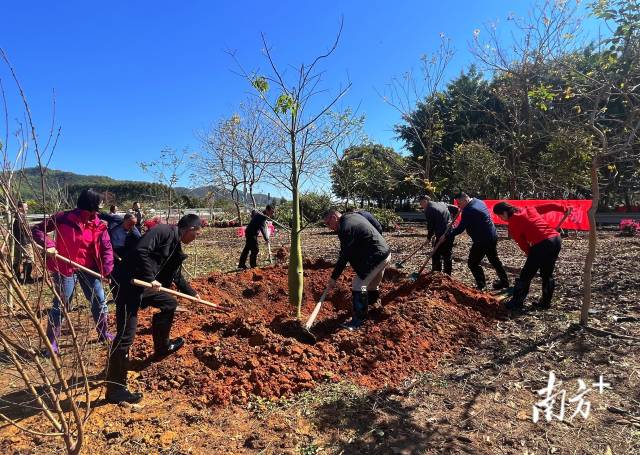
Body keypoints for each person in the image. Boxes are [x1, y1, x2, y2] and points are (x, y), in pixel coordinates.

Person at [105, 214, 203, 404]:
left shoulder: (176, 244)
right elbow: (141, 250)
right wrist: (151, 278)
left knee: (169, 303)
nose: (195, 238)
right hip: (129, 285)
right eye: (197, 234)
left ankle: (162, 346)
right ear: (190, 229)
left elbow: (176, 275)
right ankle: (115, 389)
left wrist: (192, 293)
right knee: (126, 336)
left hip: (144, 286)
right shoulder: (162, 231)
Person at [32, 189, 114, 354]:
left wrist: (106, 270)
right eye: (99, 204)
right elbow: (37, 230)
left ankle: (104, 334)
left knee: (99, 302)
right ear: (90, 205)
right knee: (61, 306)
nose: (100, 207)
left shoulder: (99, 224)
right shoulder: (63, 218)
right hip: (65, 268)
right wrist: (49, 246)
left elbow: (106, 248)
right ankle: (51, 344)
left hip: (90, 269)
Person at [493, 202, 570, 311]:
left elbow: (522, 243)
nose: (500, 218)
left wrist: (531, 256)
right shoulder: (528, 208)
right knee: (547, 274)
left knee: (526, 275)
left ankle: (516, 303)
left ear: (505, 212)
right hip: (556, 240)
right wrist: (564, 208)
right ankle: (545, 303)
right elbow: (549, 206)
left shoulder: (513, 223)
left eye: (500, 216)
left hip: (542, 244)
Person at [324, 209, 391, 330]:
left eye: (328, 223)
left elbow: (344, 256)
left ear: (334, 217)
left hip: (376, 257)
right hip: (385, 253)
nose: (329, 227)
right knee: (371, 285)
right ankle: (374, 308)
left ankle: (358, 322)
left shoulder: (345, 228)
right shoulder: (355, 215)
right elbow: (377, 225)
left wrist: (333, 278)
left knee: (358, 284)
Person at [446, 192, 509, 291]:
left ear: (465, 199)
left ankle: (482, 286)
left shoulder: (469, 210)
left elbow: (460, 229)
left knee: (473, 263)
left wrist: (447, 235)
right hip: (492, 235)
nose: (458, 206)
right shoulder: (478, 201)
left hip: (482, 240)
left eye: (459, 203)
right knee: (494, 260)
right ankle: (505, 282)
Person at [419, 196, 459, 276]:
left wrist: (429, 238)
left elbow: (431, 226)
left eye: (421, 203)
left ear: (426, 201)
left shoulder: (429, 210)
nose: (421, 205)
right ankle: (447, 274)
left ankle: (437, 273)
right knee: (447, 253)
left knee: (437, 254)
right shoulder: (441, 203)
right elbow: (456, 209)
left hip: (443, 234)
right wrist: (452, 221)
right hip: (450, 231)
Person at [108, 213, 142, 298]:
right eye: (130, 224)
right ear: (124, 220)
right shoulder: (114, 226)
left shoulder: (135, 233)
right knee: (114, 276)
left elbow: (139, 244)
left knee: (126, 276)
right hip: (112, 252)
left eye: (134, 224)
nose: (132, 226)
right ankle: (116, 295)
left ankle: (126, 294)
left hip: (125, 254)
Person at [238, 205, 274, 269]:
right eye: (271, 212)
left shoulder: (262, 214)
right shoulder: (262, 216)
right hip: (251, 233)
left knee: (247, 249)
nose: (272, 214)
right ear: (267, 210)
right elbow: (263, 228)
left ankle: (241, 264)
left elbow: (261, 223)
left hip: (249, 232)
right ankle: (253, 266)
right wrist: (266, 239)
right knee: (255, 249)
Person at [12, 201, 34, 284]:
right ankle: (26, 277)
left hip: (17, 241)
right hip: (24, 241)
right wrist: (30, 238)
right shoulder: (21, 218)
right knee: (29, 258)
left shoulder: (16, 217)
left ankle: (16, 276)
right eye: (26, 207)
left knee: (17, 259)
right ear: (20, 208)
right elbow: (25, 230)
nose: (27, 208)